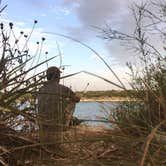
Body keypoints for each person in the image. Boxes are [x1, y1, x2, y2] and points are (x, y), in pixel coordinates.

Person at [38, 66, 80, 145]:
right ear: (58, 76)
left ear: (47, 77)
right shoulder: (63, 88)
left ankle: (66, 121)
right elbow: (77, 99)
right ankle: (65, 122)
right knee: (72, 100)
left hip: (42, 124)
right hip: (57, 124)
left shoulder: (41, 89)